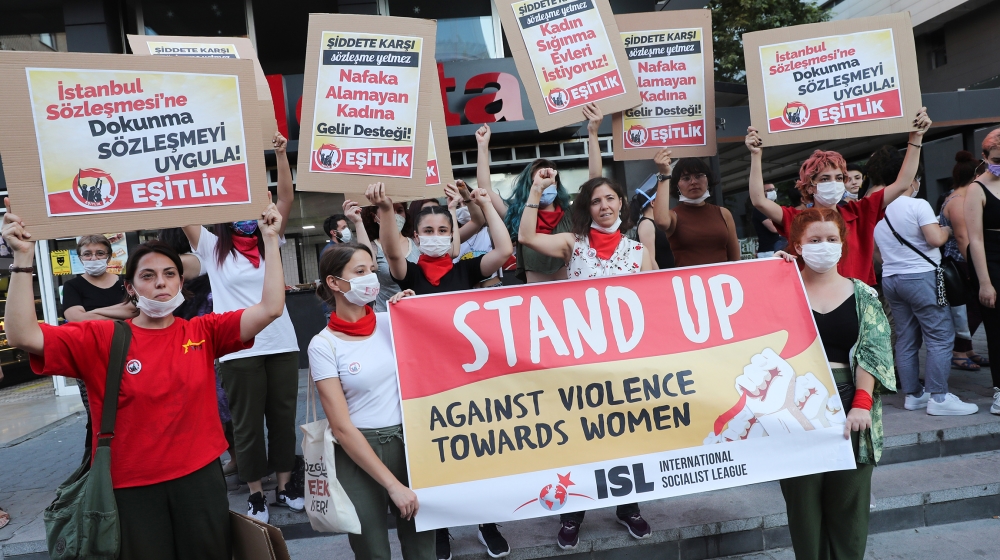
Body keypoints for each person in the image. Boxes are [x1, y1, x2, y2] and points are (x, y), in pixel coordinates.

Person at [3, 196, 286, 560]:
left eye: (169, 274)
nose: (160, 284)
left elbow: (271, 308)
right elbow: (23, 335)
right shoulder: (102, 338)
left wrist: (271, 240)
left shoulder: (203, 331)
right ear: (131, 289)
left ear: (182, 284)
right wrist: (23, 260)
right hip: (130, 488)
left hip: (200, 481)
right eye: (148, 276)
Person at [368, 182, 513, 559]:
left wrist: (483, 204)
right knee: (432, 456)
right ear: (415, 237)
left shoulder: (467, 270)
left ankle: (486, 522)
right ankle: (440, 528)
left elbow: (505, 250)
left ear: (453, 234)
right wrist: (385, 210)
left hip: (469, 380)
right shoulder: (409, 274)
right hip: (424, 385)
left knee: (479, 453)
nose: (435, 237)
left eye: (443, 230)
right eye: (427, 231)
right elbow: (389, 250)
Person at [516, 171, 653, 548]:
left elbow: (660, 302)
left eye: (610, 199)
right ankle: (572, 513)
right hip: (578, 362)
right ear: (587, 208)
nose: (604, 206)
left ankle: (629, 508)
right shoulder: (572, 245)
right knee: (579, 437)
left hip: (626, 363)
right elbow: (526, 236)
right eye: (595, 201)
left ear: (621, 203)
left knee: (624, 435)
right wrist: (535, 190)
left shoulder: (639, 252)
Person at [182, 132, 301, 523]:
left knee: (283, 418)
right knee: (247, 424)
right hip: (238, 349)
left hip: (281, 342)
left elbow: (286, 195)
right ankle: (255, 494)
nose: (251, 211)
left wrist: (281, 155)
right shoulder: (213, 248)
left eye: (258, 200)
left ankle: (284, 486)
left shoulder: (273, 237)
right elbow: (185, 212)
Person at [772, 208, 895, 560]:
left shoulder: (864, 296)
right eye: (813, 240)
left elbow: (874, 352)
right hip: (792, 406)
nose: (823, 246)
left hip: (851, 406)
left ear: (842, 244)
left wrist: (861, 402)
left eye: (831, 239)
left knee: (849, 506)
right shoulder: (782, 292)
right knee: (803, 508)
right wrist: (769, 273)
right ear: (797, 245)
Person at [309, 242, 433, 560]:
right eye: (359, 271)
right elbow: (341, 426)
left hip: (409, 445)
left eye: (372, 270)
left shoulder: (391, 322)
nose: (370, 279)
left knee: (422, 547)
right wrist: (393, 485)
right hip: (358, 453)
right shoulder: (323, 345)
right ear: (334, 283)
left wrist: (413, 313)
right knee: (372, 551)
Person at [746, 107, 931, 285]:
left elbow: (902, 184)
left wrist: (916, 138)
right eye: (825, 178)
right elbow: (759, 200)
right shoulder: (795, 220)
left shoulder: (861, 212)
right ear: (810, 187)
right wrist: (756, 155)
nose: (833, 183)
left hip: (858, 301)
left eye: (839, 178)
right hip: (813, 303)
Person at [872, 156, 977, 415]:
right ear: (909, 177)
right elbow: (934, 238)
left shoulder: (875, 209)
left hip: (892, 278)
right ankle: (939, 398)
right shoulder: (917, 204)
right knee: (940, 336)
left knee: (907, 338)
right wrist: (947, 231)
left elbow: (876, 253)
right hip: (921, 277)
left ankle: (914, 395)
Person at [478, 103, 604, 283]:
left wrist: (593, 132)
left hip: (571, 295)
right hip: (537, 300)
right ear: (530, 186)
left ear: (557, 184)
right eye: (539, 179)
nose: (545, 184)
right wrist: (482, 147)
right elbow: (486, 189)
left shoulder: (570, 215)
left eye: (549, 179)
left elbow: (594, 179)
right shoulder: (518, 216)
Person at [62, 234, 139, 466]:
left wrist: (91, 314)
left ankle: (132, 459)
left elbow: (134, 311)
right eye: (87, 254)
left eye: (99, 253)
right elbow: (75, 318)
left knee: (129, 407)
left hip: (126, 354)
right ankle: (94, 466)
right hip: (89, 359)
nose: (93, 258)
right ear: (80, 257)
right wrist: (117, 311)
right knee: (96, 414)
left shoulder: (123, 282)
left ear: (109, 255)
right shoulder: (73, 286)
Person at [939, 151, 988, 370]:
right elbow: (962, 238)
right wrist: (976, 268)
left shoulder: (959, 196)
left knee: (970, 307)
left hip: (963, 261)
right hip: (962, 262)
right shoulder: (959, 201)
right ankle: (958, 351)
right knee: (973, 308)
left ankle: (967, 348)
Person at [652, 150, 741, 267]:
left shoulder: (723, 213)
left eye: (698, 176)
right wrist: (664, 174)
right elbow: (661, 221)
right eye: (686, 178)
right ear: (677, 185)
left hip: (723, 281)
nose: (693, 182)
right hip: (689, 283)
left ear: (708, 180)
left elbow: (736, 260)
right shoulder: (674, 216)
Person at [966, 129, 1000, 415]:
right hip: (993, 260)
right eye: (998, 159)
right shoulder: (977, 189)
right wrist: (985, 282)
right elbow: (974, 239)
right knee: (997, 329)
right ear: (985, 158)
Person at [628, 177, 674, 269]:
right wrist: (661, 281)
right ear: (653, 203)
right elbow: (650, 260)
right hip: (663, 279)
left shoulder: (655, 223)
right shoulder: (646, 224)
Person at [752, 184, 782, 258]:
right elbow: (773, 228)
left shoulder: (775, 207)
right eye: (769, 190)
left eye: (774, 189)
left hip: (776, 249)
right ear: (762, 193)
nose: (773, 192)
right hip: (768, 252)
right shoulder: (760, 209)